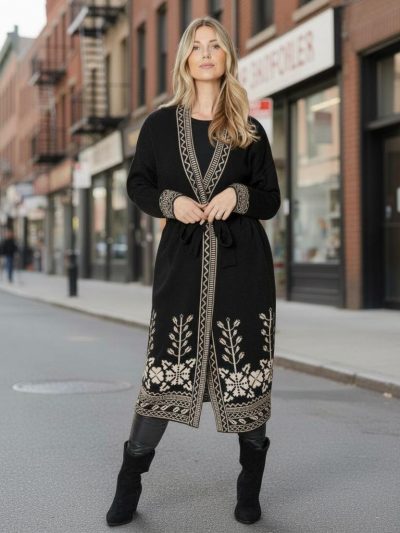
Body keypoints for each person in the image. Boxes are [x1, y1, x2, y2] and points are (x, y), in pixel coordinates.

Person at [106, 16, 281, 528]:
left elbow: (270, 198)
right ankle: (129, 483)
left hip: (243, 271)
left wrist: (238, 195)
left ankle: (249, 488)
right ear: (185, 58)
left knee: (246, 379)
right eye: (197, 46)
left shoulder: (249, 128)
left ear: (227, 57)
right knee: (164, 373)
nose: (206, 54)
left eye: (215, 46)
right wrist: (171, 202)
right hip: (181, 269)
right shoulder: (159, 126)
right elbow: (137, 184)